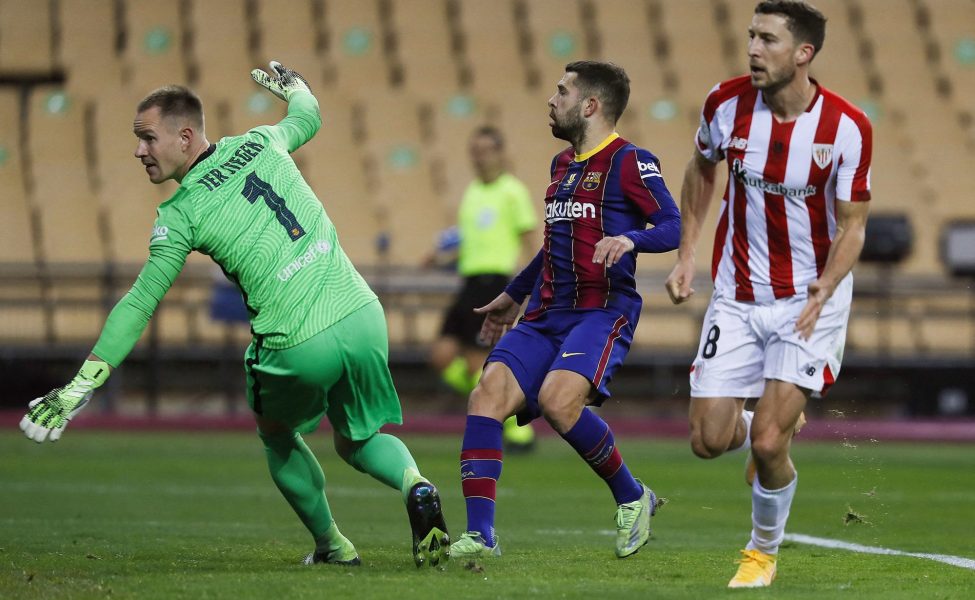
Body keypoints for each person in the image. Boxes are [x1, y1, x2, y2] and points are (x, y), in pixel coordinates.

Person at [19, 62, 450, 569]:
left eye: (147, 139)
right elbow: (308, 115)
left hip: (297, 342)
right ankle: (416, 485)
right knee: (358, 438)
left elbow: (140, 301)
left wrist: (83, 381)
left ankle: (334, 547)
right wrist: (298, 87)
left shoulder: (181, 213)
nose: (139, 151)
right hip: (361, 314)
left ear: (184, 137)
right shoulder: (263, 140)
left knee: (276, 433)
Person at [664, 1, 872, 588]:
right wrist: (687, 254)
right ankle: (764, 417)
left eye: (769, 40)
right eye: (751, 36)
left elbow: (853, 225)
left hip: (810, 301)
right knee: (708, 441)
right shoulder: (724, 104)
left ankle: (761, 553)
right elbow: (701, 169)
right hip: (736, 294)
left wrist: (825, 287)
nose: (753, 48)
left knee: (768, 442)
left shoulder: (846, 128)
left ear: (803, 53)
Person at [449, 60, 681, 560]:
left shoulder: (630, 161)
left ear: (590, 105)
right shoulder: (561, 165)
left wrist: (629, 238)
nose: (551, 100)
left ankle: (631, 495)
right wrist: (515, 293)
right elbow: (552, 242)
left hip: (601, 311)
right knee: (485, 395)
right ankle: (480, 537)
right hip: (546, 313)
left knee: (558, 401)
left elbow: (672, 226)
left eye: (562, 91)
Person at [428, 126, 538, 452]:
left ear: (500, 153)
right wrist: (440, 257)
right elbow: (469, 240)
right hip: (469, 282)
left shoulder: (512, 191)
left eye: (486, 150)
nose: (480, 157)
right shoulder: (472, 192)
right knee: (442, 356)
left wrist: (532, 283)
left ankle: (514, 430)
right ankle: (498, 406)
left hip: (494, 282)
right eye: (475, 150)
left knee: (478, 362)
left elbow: (528, 239)